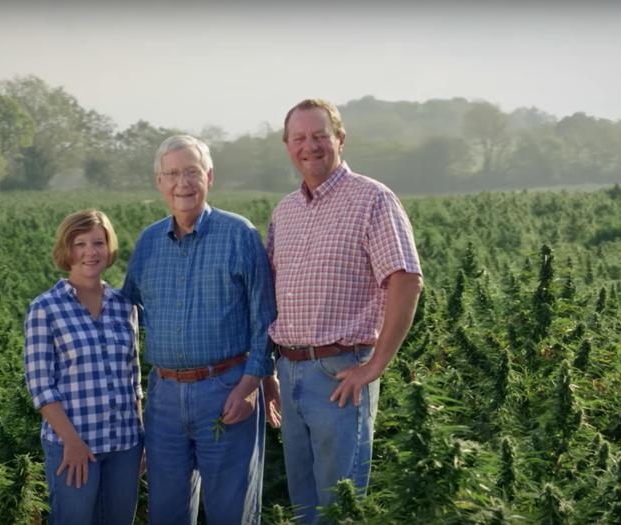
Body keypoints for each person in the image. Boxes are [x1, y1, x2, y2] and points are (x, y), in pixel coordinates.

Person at [265, 99, 423, 523]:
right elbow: (270, 296)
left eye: (319, 135)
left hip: (339, 374)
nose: (309, 146)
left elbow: (405, 279)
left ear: (340, 139)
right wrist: (269, 371)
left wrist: (375, 365)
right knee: (304, 505)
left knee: (339, 506)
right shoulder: (285, 212)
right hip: (290, 370)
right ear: (287, 146)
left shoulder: (372, 199)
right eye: (299, 138)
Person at [122, 134, 275, 525]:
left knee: (232, 511)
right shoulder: (149, 242)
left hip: (226, 391)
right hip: (165, 397)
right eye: (172, 173)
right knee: (167, 512)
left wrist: (249, 387)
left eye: (191, 172)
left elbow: (265, 318)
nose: (182, 183)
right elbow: (127, 310)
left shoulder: (238, 234)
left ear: (209, 176)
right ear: (159, 182)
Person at [24, 210, 143, 525]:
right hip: (74, 447)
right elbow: (40, 387)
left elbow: (134, 379)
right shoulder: (45, 308)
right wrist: (72, 442)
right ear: (67, 250)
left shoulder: (124, 305)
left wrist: (141, 438)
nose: (90, 252)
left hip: (124, 445)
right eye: (80, 244)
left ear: (109, 247)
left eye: (98, 243)